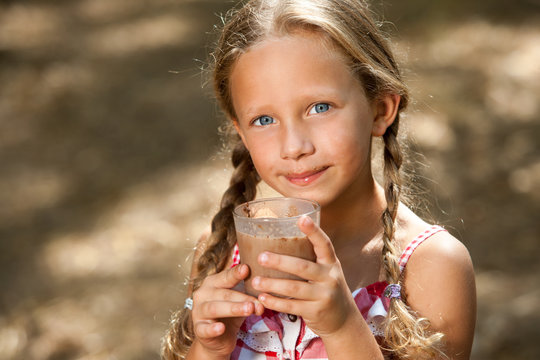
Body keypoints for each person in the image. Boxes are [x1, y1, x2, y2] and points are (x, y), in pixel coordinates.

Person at [162, 0, 476, 359]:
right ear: (242, 135)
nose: (294, 147)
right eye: (264, 120)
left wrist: (342, 327)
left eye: (319, 108)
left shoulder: (432, 266)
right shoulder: (220, 252)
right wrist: (209, 348)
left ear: (381, 109)